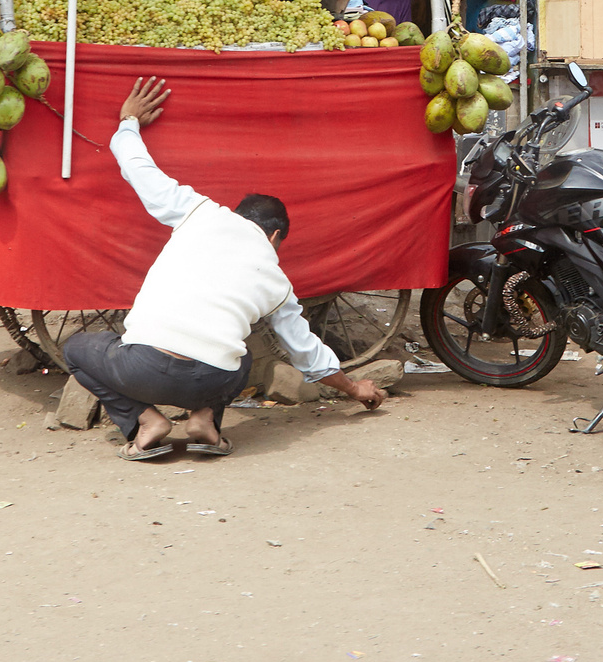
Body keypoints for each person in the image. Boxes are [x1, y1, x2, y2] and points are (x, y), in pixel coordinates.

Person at [64, 76, 388, 461]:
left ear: (239, 215)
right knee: (241, 355)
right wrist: (354, 388)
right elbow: (306, 351)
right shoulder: (278, 283)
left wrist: (128, 122)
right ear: (275, 236)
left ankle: (145, 422)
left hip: (142, 369)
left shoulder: (198, 211)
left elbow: (140, 170)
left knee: (76, 349)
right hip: (211, 379)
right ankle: (204, 422)